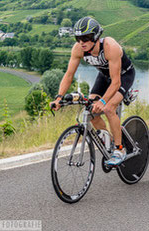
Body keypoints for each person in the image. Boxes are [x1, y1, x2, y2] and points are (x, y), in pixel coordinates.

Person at [50, 17, 135, 166]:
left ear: (96, 37)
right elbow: (69, 75)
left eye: (86, 38)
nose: (82, 42)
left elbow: (116, 82)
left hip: (123, 75)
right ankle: (108, 140)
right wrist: (58, 98)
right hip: (103, 76)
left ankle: (119, 149)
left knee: (109, 108)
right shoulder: (78, 49)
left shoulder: (110, 46)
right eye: (78, 38)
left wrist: (103, 101)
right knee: (90, 110)